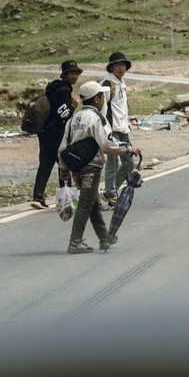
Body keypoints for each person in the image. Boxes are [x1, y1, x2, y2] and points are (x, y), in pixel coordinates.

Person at [58, 81, 141, 254]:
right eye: (102, 96)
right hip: (92, 166)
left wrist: (64, 168)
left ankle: (105, 237)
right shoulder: (97, 118)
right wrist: (127, 148)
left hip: (77, 169)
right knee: (87, 202)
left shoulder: (73, 119)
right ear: (97, 99)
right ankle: (75, 241)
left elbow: (63, 147)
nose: (103, 99)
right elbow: (106, 144)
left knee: (93, 202)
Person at [31, 60, 82, 210]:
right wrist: (73, 106)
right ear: (64, 75)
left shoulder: (52, 88)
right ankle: (66, 202)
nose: (74, 77)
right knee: (64, 164)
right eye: (71, 73)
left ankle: (37, 197)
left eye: (76, 73)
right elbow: (62, 113)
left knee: (45, 164)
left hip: (44, 132)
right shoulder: (64, 90)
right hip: (57, 133)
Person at [101, 51, 134, 208]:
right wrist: (105, 129)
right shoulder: (107, 84)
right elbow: (102, 108)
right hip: (112, 129)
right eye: (117, 65)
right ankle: (112, 195)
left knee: (128, 163)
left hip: (123, 128)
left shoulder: (122, 82)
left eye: (123, 65)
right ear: (111, 67)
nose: (121, 68)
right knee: (112, 164)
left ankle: (110, 190)